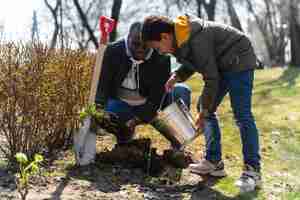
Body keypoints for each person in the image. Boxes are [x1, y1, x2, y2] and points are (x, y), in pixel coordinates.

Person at [141, 14, 262, 190]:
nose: (160, 52)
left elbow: (211, 78)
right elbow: (194, 62)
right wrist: (177, 76)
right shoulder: (181, 38)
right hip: (221, 64)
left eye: (158, 47)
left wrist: (204, 112)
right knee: (204, 108)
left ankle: (253, 171)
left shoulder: (196, 38)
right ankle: (214, 162)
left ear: (165, 37)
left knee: (241, 114)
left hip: (239, 59)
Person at [95, 22, 191, 150]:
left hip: (150, 104)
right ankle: (124, 138)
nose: (140, 48)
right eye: (135, 44)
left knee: (182, 91)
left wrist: (137, 120)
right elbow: (102, 85)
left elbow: (156, 98)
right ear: (128, 38)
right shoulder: (112, 51)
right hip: (121, 104)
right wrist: (98, 110)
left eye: (145, 45)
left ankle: (178, 141)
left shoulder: (161, 57)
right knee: (111, 112)